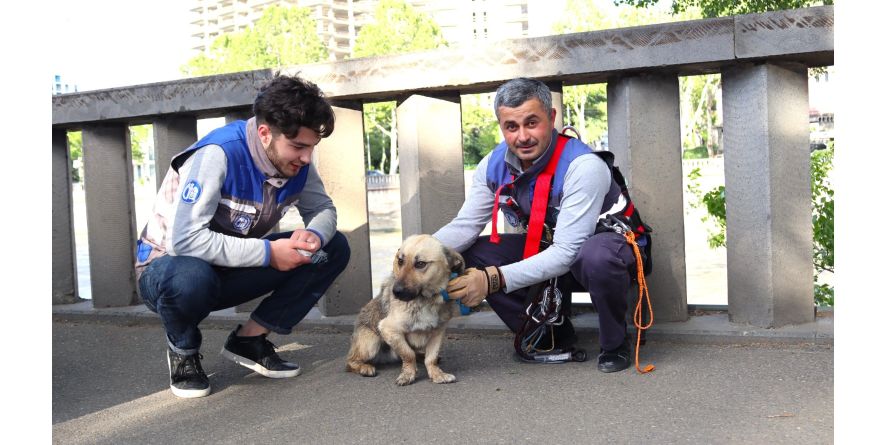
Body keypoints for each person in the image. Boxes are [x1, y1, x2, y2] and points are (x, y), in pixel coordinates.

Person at [135, 73, 351, 398]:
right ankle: (183, 350)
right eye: (298, 147)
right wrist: (269, 254)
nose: (306, 158)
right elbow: (185, 241)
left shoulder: (297, 162)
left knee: (333, 247)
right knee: (190, 275)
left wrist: (314, 237)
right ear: (265, 133)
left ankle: (249, 340)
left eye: (312, 148)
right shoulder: (218, 154)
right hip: (168, 271)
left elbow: (322, 209)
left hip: (230, 266)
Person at [436, 77, 639, 373]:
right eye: (511, 127)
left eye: (532, 123)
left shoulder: (584, 166)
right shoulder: (492, 165)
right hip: (551, 253)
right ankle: (548, 331)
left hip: (605, 256)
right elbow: (465, 226)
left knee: (596, 255)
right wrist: (414, 256)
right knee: (474, 251)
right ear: (501, 126)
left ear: (552, 117)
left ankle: (615, 342)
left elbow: (569, 252)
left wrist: (491, 280)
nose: (522, 137)